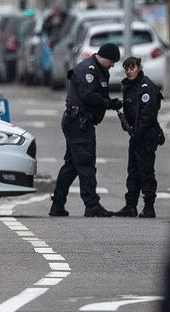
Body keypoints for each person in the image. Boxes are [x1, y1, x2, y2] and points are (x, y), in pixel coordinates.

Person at [49, 42, 123, 217]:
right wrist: (109, 104)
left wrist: (110, 103)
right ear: (103, 57)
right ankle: (92, 205)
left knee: (72, 166)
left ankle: (58, 205)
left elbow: (100, 94)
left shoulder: (99, 69)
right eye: (111, 61)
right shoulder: (88, 70)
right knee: (86, 164)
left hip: (81, 122)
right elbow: (89, 95)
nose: (113, 65)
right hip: (78, 122)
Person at [117, 56, 164, 218]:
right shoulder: (129, 86)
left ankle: (149, 206)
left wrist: (138, 132)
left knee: (146, 171)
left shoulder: (146, 87)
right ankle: (130, 206)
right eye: (127, 68)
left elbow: (148, 114)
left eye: (132, 68)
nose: (129, 71)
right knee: (133, 171)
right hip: (135, 135)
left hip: (146, 135)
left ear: (139, 67)